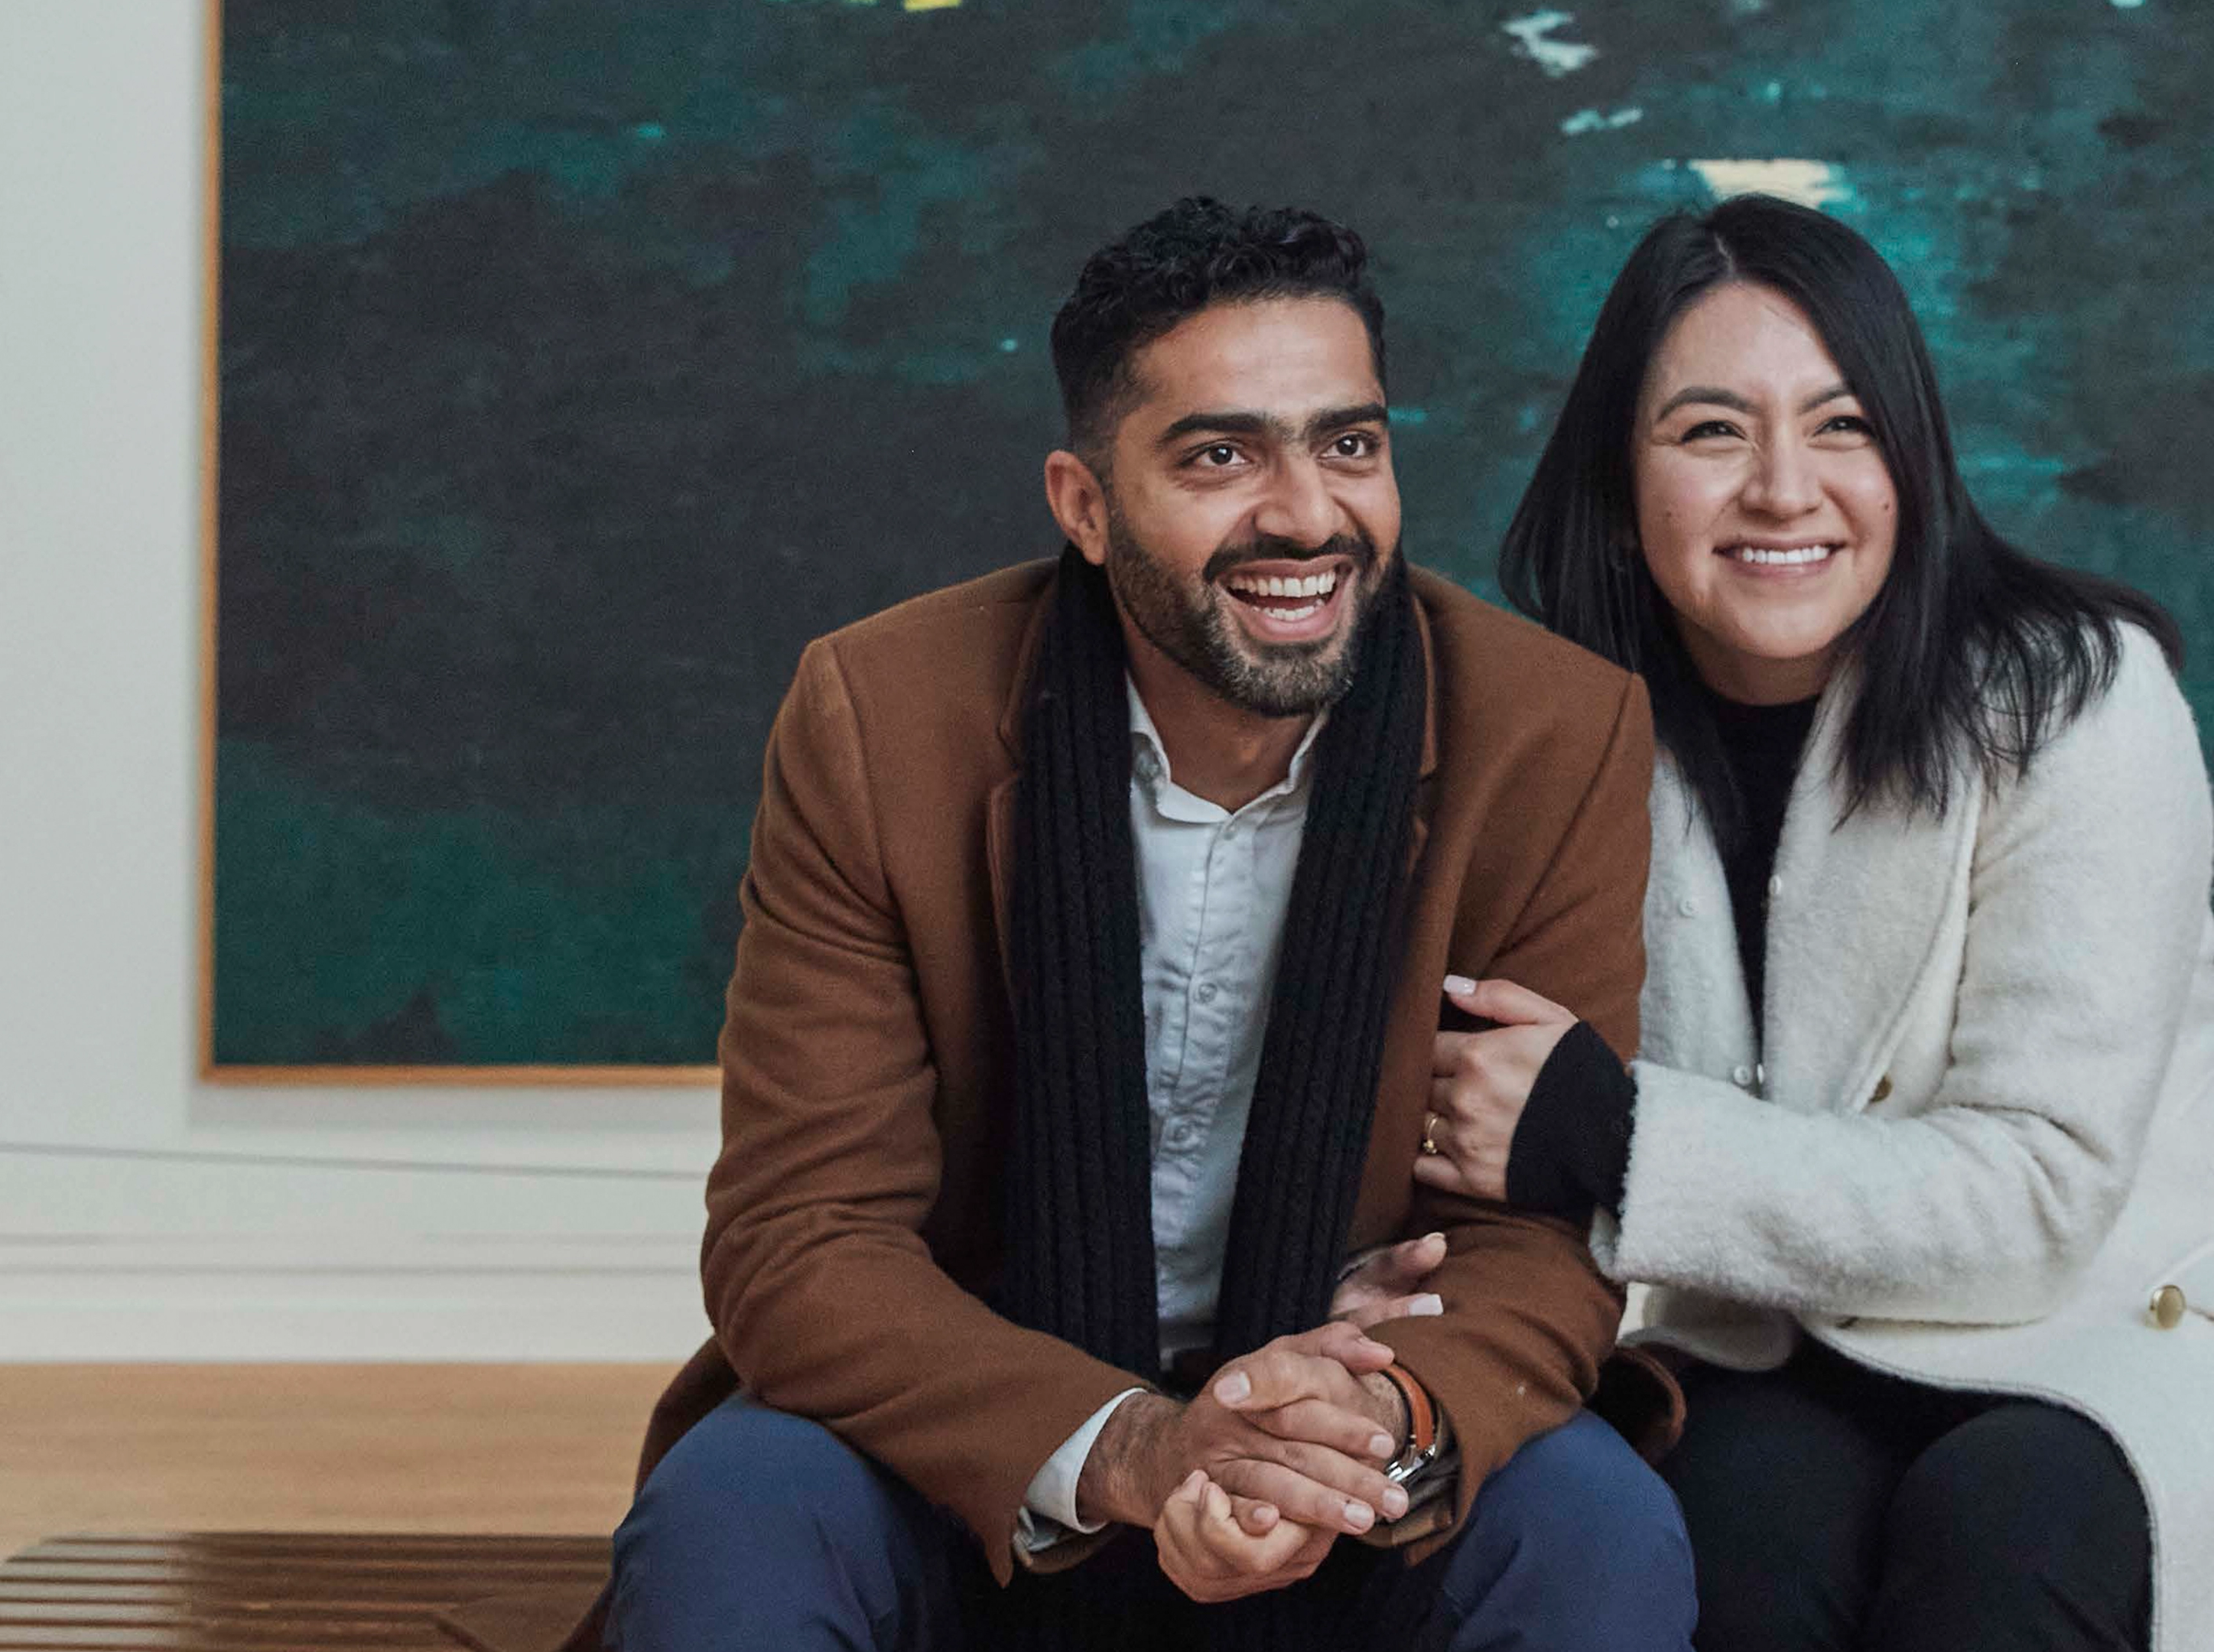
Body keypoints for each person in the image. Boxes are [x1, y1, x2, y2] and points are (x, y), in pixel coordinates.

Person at [499, 199, 1695, 1652]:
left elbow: (1538, 1237)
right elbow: (801, 1235)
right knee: (734, 1513)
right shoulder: (882, 716)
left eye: (1350, 443)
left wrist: (1366, 1415)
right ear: (1083, 502)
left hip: (1345, 1435)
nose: (1308, 515)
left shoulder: (1550, 729)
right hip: (992, 1423)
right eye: (1218, 454)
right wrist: (1135, 1448)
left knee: (1599, 1530)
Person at [1414, 194, 2214, 1651]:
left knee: (2003, 1532)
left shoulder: (2079, 700)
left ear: (1913, 461)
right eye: (1710, 432)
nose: (1784, 490)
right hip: (1777, 1338)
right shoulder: (1556, 733)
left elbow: (2043, 1193)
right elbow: (1472, 1123)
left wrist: (1613, 1137)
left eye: (1843, 425)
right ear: (1622, 480)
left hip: (2141, 1316)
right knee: (1720, 1532)